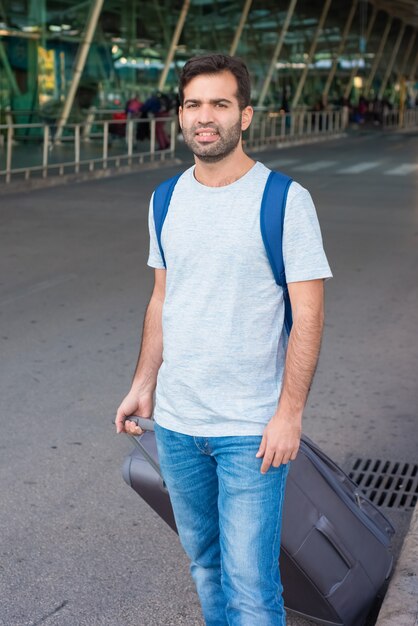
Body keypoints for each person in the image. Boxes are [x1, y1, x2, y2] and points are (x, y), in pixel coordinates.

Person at [115, 54, 332, 626]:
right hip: (180, 425)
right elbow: (164, 299)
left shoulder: (284, 200)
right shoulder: (165, 200)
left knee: (252, 586)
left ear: (246, 115)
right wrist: (143, 384)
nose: (204, 116)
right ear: (180, 116)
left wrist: (289, 413)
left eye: (219, 103)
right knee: (206, 567)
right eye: (193, 104)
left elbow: (308, 315)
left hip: (250, 431)